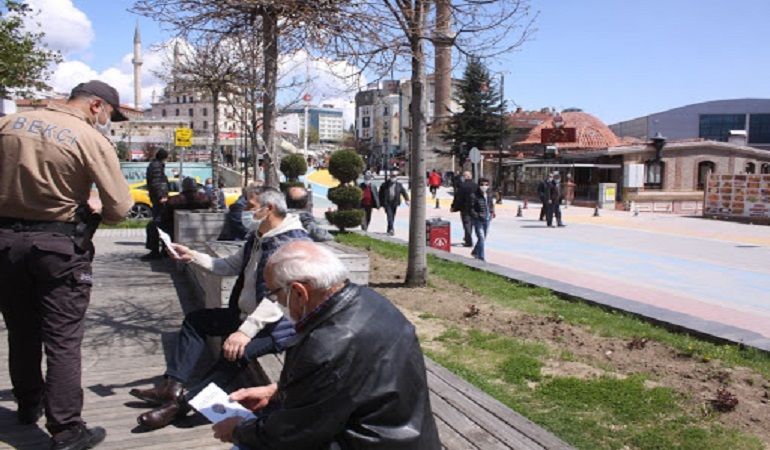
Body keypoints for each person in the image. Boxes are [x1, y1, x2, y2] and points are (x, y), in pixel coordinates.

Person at [0, 80, 133, 449]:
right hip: (56, 248)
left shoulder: (9, 124)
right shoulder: (88, 138)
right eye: (109, 114)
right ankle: (67, 430)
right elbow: (120, 209)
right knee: (62, 340)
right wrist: (95, 208)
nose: (108, 121)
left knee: (21, 331)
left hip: (5, 244)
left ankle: (28, 405)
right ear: (96, 106)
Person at [211, 241, 441, 449]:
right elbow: (348, 384)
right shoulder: (371, 300)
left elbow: (293, 433)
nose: (276, 302)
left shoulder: (325, 345)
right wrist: (277, 392)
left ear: (299, 292)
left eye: (274, 294)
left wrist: (237, 431)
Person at [129, 187, 310, 430]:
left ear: (268, 209)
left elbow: (279, 299)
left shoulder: (291, 244)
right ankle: (171, 387)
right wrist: (191, 256)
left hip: (276, 327)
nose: (244, 211)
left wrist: (244, 332)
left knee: (233, 354)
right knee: (195, 321)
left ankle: (181, 405)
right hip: (246, 316)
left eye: (249, 206)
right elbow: (227, 266)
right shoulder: (259, 235)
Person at [159, 176, 212, 241]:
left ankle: (156, 250)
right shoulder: (205, 198)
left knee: (152, 226)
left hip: (176, 229)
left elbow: (165, 216)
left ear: (183, 187)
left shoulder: (174, 200)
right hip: (200, 230)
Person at [142, 148, 170, 260]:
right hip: (159, 200)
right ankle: (159, 251)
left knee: (160, 224)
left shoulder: (155, 165)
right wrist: (162, 196)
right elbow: (158, 182)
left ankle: (163, 250)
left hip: (157, 199)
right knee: (158, 224)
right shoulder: (156, 167)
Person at [470, 178, 496, 261]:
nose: (484, 186)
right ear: (478, 185)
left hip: (487, 218)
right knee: (481, 238)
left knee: (483, 237)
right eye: (482, 184)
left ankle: (475, 251)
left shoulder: (489, 195)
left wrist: (492, 212)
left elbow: (491, 204)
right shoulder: (474, 195)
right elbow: (470, 208)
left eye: (486, 185)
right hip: (478, 220)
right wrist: (477, 216)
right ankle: (481, 257)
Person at [451, 171, 478, 247]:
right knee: (471, 224)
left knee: (466, 224)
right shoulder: (476, 186)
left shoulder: (462, 186)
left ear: (465, 177)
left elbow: (458, 198)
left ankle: (468, 241)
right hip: (474, 208)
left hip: (465, 208)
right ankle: (467, 238)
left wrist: (454, 207)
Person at [378, 171, 409, 236]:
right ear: (390, 177)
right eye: (392, 176)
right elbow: (380, 194)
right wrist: (380, 203)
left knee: (392, 216)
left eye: (394, 176)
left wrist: (407, 199)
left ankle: (389, 229)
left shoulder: (399, 185)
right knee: (389, 215)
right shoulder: (385, 185)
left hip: (395, 203)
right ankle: (391, 229)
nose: (393, 177)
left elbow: (404, 192)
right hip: (387, 203)